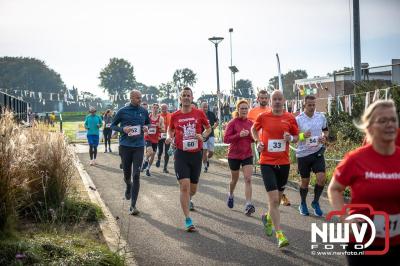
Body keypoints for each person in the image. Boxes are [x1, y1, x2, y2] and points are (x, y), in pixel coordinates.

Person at [328, 100, 400, 265]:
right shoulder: (355, 159)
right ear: (369, 127)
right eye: (382, 121)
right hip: (361, 241)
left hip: (396, 242)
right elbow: (334, 189)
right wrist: (346, 218)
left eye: (393, 120)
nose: (390, 124)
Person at [251, 90, 299, 248]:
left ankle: (267, 217)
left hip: (284, 163)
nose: (277, 101)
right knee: (273, 200)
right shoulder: (263, 116)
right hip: (267, 162)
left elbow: (297, 136)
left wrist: (290, 138)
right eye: (274, 99)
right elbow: (253, 129)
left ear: (284, 100)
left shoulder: (290, 118)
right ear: (271, 101)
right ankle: (280, 235)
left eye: (280, 99)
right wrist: (258, 141)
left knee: (277, 201)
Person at [165, 87, 211, 232]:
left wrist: (203, 136)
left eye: (188, 95)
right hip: (181, 154)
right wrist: (168, 136)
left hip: (196, 154)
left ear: (192, 98)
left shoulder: (199, 113)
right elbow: (170, 129)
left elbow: (208, 128)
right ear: (180, 98)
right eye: (183, 95)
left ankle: (189, 198)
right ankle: (188, 219)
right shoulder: (175, 115)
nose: (185, 97)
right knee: (184, 186)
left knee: (193, 189)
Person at [111, 90, 150, 215]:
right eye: (137, 98)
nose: (140, 99)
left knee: (137, 175)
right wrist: (123, 129)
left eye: (140, 97)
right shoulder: (122, 111)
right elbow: (112, 125)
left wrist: (146, 128)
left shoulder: (143, 111)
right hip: (125, 146)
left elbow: (148, 123)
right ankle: (128, 185)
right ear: (131, 98)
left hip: (138, 146)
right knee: (127, 175)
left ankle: (133, 206)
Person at [295, 95, 329, 217]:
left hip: (317, 152)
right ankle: (303, 203)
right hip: (303, 154)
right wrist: (303, 135)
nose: (312, 107)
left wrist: (324, 137)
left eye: (313, 104)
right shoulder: (298, 119)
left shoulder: (321, 116)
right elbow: (293, 138)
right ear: (304, 104)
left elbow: (325, 129)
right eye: (309, 105)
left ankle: (315, 202)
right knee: (305, 181)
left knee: (321, 178)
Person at [224, 99, 255, 216]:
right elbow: (225, 139)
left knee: (248, 179)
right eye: (241, 108)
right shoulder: (232, 123)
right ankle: (231, 194)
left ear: (248, 110)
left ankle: (248, 204)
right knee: (234, 180)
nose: (244, 110)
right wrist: (238, 135)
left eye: (246, 108)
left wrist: (251, 136)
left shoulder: (251, 123)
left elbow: (254, 138)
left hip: (247, 154)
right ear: (238, 110)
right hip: (234, 155)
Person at [142, 103, 165, 176]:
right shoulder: (148, 117)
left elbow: (164, 130)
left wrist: (159, 127)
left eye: (156, 108)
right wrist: (145, 131)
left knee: (153, 155)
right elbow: (143, 127)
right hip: (148, 137)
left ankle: (148, 169)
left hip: (155, 139)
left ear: (158, 109)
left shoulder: (160, 118)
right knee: (150, 152)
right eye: (154, 108)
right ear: (151, 109)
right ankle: (145, 161)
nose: (155, 109)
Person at [201, 102, 219, 173]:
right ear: (201, 107)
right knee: (204, 151)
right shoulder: (199, 114)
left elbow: (217, 120)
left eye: (206, 107)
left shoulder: (211, 114)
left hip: (211, 134)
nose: (205, 108)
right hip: (203, 136)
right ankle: (205, 166)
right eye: (204, 107)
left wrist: (215, 125)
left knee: (211, 152)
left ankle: (207, 160)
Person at [156, 103, 171, 173]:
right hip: (160, 135)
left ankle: (165, 167)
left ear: (167, 108)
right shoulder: (158, 116)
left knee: (167, 152)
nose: (164, 110)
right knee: (160, 150)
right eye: (163, 108)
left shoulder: (170, 115)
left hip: (167, 135)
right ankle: (158, 159)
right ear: (160, 109)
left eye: (165, 108)